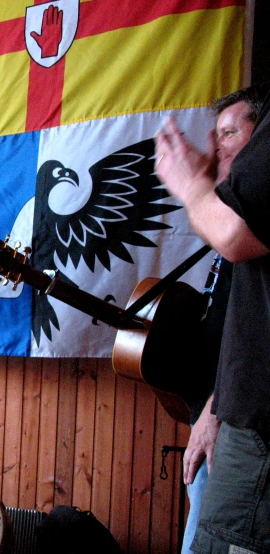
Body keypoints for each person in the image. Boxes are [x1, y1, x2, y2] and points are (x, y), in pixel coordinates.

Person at [155, 84, 270, 553]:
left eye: (229, 133)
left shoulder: (241, 220)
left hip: (251, 424)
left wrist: (189, 185)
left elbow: (235, 233)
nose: (215, 146)